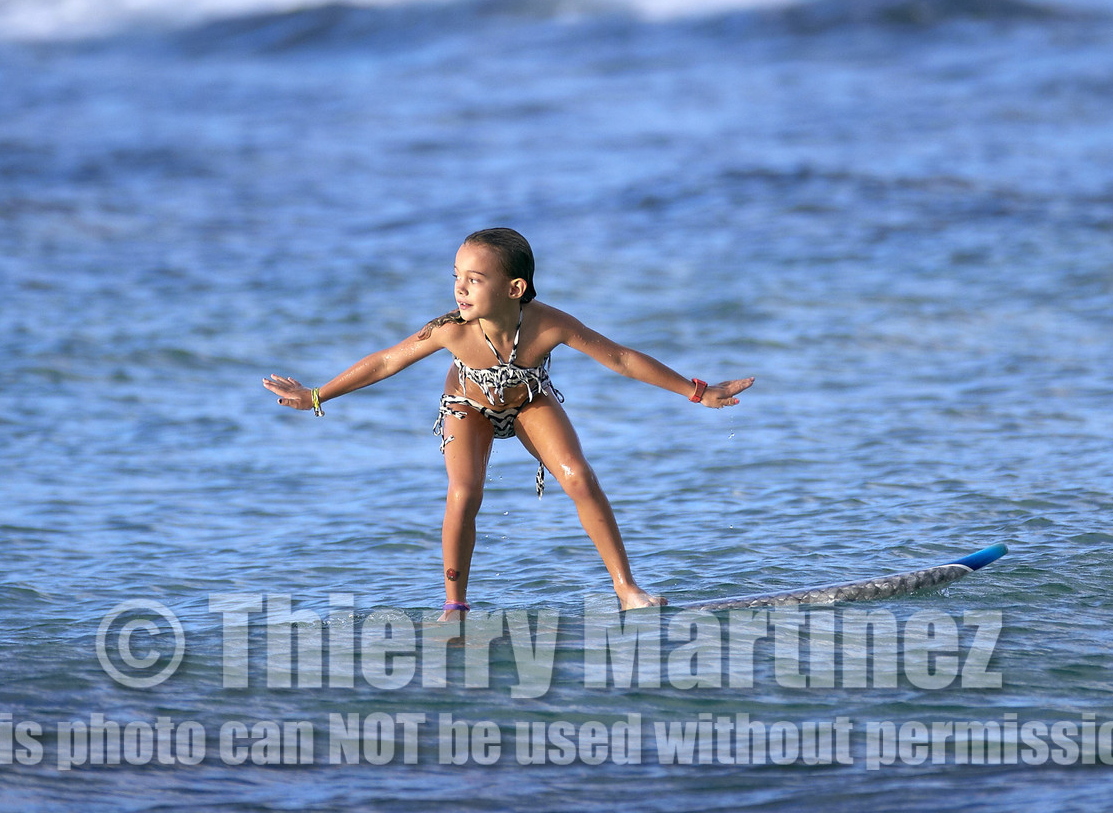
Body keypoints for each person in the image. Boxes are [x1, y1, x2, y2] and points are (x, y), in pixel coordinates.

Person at [263, 227, 754, 618]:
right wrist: (315, 395)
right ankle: (454, 607)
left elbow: (621, 359)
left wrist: (698, 392)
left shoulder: (548, 323)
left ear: (514, 288)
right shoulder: (450, 331)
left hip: (527, 399)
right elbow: (388, 361)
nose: (459, 287)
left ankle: (626, 589)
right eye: (456, 274)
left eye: (473, 279)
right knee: (465, 492)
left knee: (579, 478)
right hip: (466, 407)